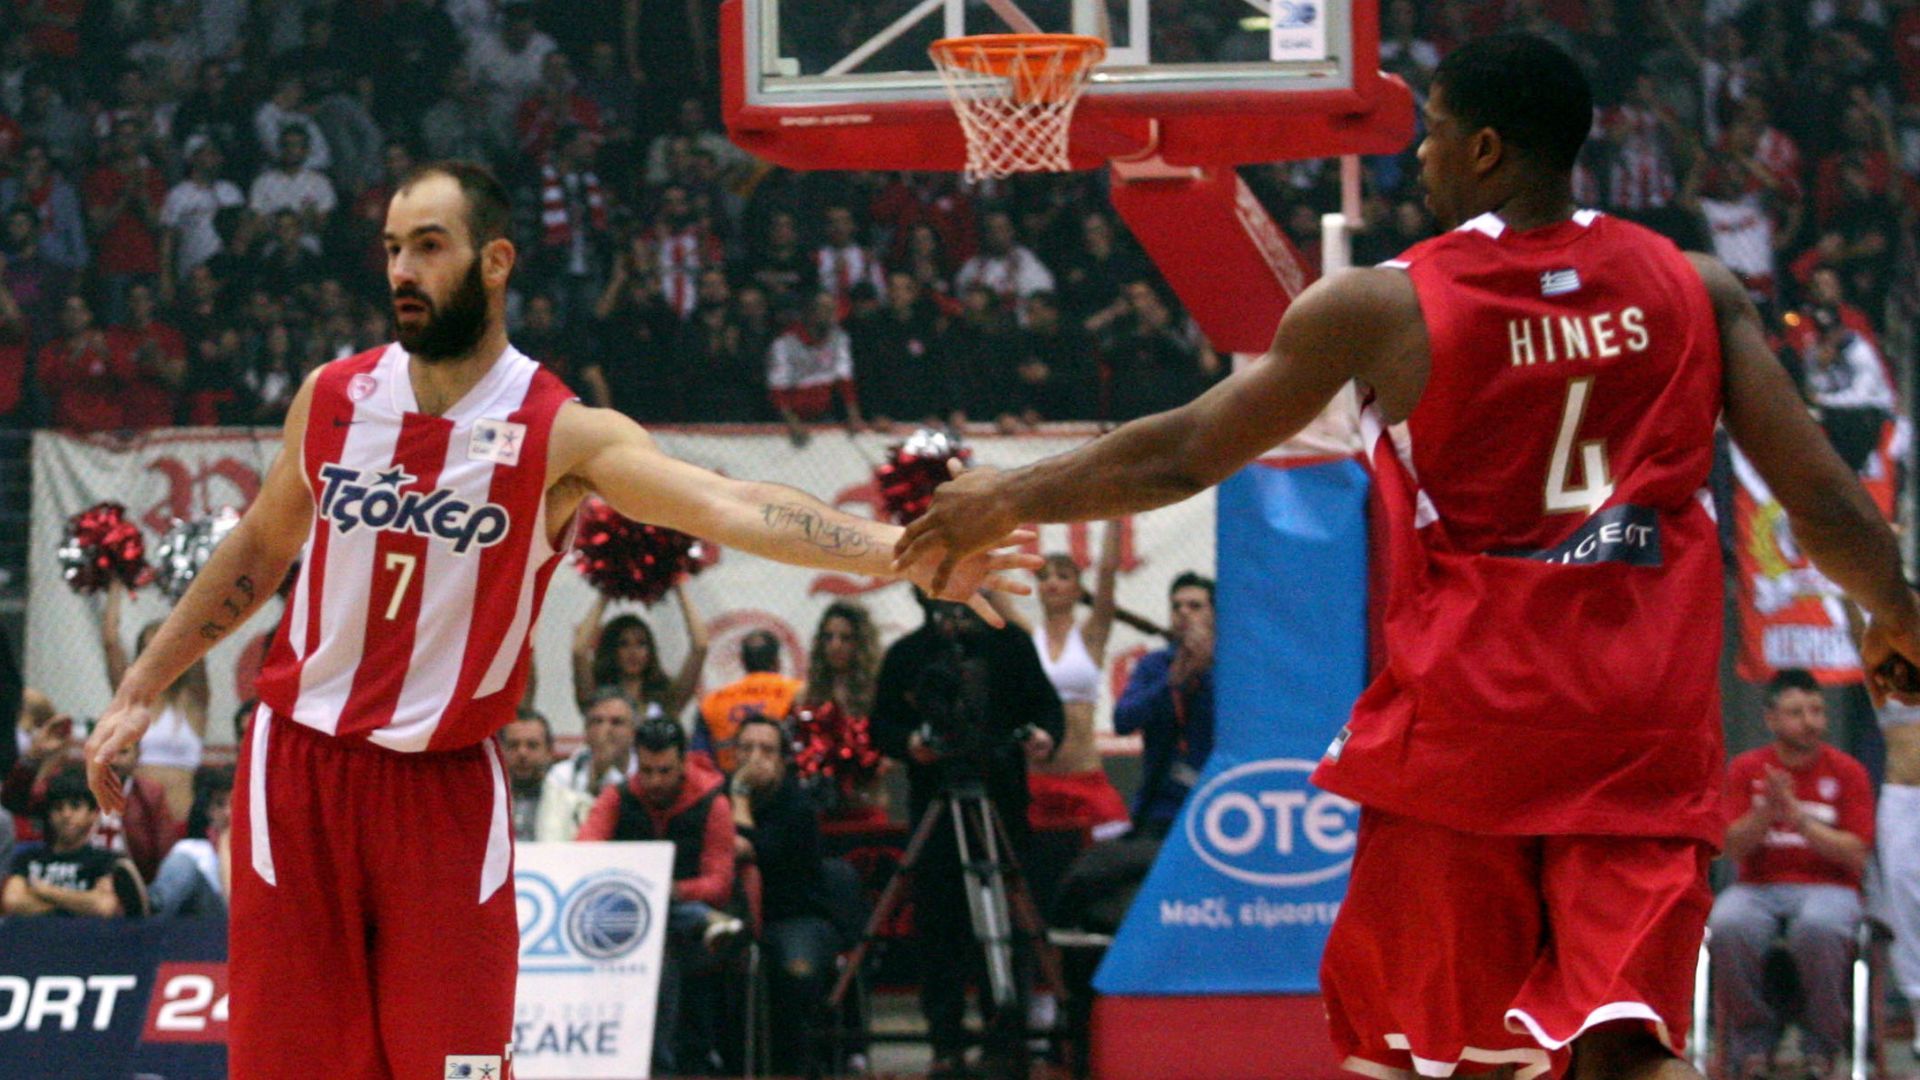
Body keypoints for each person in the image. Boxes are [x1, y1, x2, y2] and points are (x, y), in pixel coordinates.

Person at [893, 34, 1920, 1080]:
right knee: (1626, 1046)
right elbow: (1823, 501)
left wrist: (1009, 494)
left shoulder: (1386, 304)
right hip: (1639, 719)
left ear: (1484, 149)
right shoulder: (1695, 288)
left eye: (1431, 133)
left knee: (1445, 1054)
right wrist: (1895, 612)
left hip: (1475, 716)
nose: (1418, 157)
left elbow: (1187, 451)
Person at [82, 159, 1033, 1078]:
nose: (403, 271)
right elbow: (258, 547)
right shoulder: (333, 398)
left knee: (456, 1064)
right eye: (392, 248)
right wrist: (139, 688)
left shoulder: (559, 430)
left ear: (496, 260)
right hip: (298, 767)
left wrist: (900, 549)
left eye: (429, 246)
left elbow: (730, 504)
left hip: (442, 785)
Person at [871, 595, 1064, 1077]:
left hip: (1001, 801)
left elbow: (1046, 707)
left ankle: (1007, 1035)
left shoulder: (1010, 644)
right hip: (936, 804)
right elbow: (881, 725)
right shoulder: (907, 654)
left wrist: (1044, 734)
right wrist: (910, 743)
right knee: (939, 924)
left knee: (1009, 918)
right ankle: (945, 1040)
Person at [1710, 669, 1873, 1079]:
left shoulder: (1848, 771)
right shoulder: (1747, 769)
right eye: (1797, 712)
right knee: (1727, 923)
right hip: (1757, 887)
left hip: (1830, 887)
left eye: (1817, 711)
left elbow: (1856, 853)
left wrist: (1799, 819)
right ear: (1771, 719)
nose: (1810, 721)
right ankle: (1753, 1045)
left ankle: (1821, 1048)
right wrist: (1767, 812)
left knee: (1818, 928)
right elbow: (1730, 848)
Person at [578, 717, 740, 1075]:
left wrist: (672, 890)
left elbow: (719, 884)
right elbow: (584, 852)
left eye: (664, 771)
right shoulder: (618, 797)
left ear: (684, 762)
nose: (654, 781)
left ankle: (657, 1068)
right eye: (647, 771)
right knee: (659, 934)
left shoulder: (713, 803)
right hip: (630, 915)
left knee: (660, 950)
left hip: (685, 921)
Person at [729, 712, 840, 1074]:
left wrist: (740, 796)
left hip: (795, 916)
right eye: (746, 748)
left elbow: (750, 850)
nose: (755, 758)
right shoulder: (716, 795)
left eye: (766, 750)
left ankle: (799, 1067)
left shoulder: (797, 805)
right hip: (734, 915)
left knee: (796, 973)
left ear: (782, 760)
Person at [1013, 526, 1132, 840]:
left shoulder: (1091, 636)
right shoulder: (1027, 639)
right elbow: (993, 593)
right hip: (1037, 780)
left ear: (1079, 590)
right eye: (1044, 577)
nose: (1052, 582)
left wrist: (1116, 513)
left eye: (1063, 576)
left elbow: (1107, 573)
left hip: (1084, 776)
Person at [1112, 572, 1216, 837]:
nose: (1183, 612)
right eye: (1176, 606)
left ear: (1215, 614)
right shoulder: (1155, 665)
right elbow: (1123, 721)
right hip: (1161, 806)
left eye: (1194, 606)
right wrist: (1170, 683)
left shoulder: (1230, 665)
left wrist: (1205, 672)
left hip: (1219, 801)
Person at [100, 578, 209, 821]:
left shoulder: (192, 701)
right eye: (151, 650)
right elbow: (110, 642)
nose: (159, 657)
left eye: (166, 648)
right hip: (139, 820)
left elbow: (200, 636)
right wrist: (117, 581)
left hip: (183, 817)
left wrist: (186, 590)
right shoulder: (132, 698)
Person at [799, 601, 889, 823]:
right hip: (820, 805)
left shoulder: (878, 693)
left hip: (868, 801)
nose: (835, 645)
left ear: (862, 643)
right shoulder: (808, 694)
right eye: (828, 637)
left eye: (846, 638)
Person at [2, 767, 134, 918]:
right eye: (58, 808)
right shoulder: (27, 858)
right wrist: (79, 905)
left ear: (93, 814)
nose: (66, 814)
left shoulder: (106, 860)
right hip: (34, 933)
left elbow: (103, 906)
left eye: (75, 806)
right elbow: (12, 901)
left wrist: (44, 891)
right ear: (49, 815)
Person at [571, 582, 707, 718]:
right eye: (624, 644)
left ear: (651, 650)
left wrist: (678, 587)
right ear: (611, 650)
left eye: (641, 644)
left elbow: (700, 647)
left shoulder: (667, 699)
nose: (633, 652)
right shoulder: (597, 696)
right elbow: (579, 652)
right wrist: (606, 593)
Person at [535, 687, 638, 843]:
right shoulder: (562, 775)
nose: (605, 729)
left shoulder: (645, 774)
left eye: (616, 722)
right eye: (597, 721)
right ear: (585, 730)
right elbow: (550, 836)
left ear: (633, 731)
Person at [696, 629, 802, 772]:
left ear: (743, 662)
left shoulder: (713, 701)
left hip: (727, 780)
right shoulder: (799, 694)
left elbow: (699, 760)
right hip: (781, 780)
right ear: (777, 661)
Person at [149, 764, 234, 917]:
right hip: (201, 921)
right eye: (220, 804)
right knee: (183, 861)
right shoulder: (192, 849)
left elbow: (233, 906)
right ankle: (151, 906)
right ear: (209, 810)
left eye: (235, 803)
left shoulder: (261, 851)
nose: (228, 812)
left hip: (242, 920)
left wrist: (226, 843)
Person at [498, 708, 554, 842]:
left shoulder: (573, 806)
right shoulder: (480, 806)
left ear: (549, 752)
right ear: (500, 751)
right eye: (513, 745)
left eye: (532, 745)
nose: (522, 753)